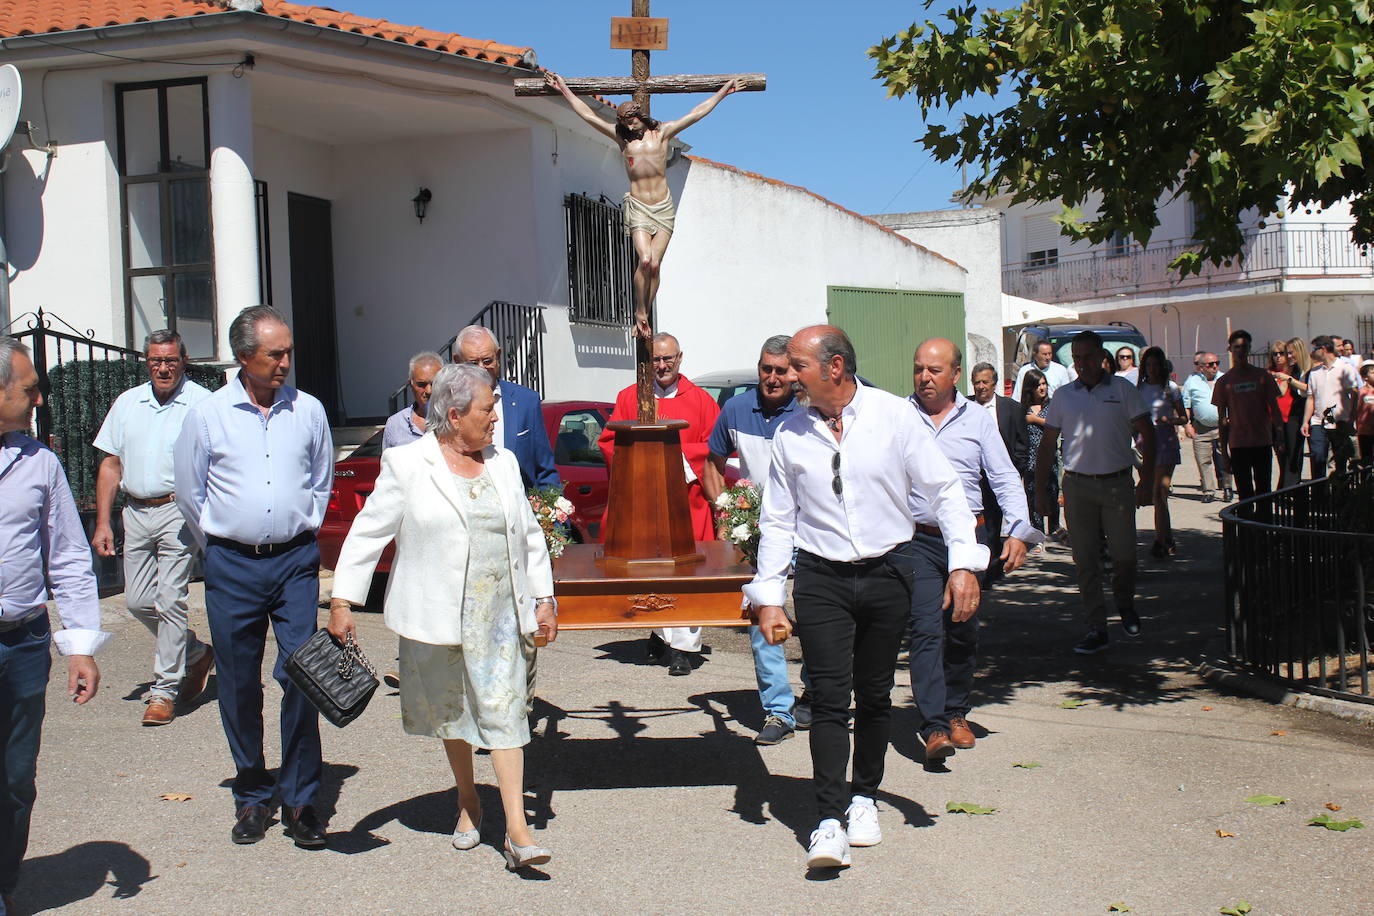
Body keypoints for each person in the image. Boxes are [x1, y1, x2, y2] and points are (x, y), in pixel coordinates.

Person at [746, 326, 985, 869]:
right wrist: (769, 596)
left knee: (875, 695)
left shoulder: (892, 417)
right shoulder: (791, 434)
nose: (786, 377)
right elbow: (778, 520)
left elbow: (945, 491)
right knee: (829, 697)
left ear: (834, 367)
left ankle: (863, 798)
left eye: (797, 366)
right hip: (821, 579)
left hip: (887, 574)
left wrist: (963, 564)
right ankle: (828, 818)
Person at [329, 363, 558, 871]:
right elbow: (368, 533)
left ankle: (516, 829)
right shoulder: (408, 464)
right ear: (454, 416)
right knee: (453, 712)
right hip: (438, 615)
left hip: (500, 616)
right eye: (486, 409)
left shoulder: (502, 463)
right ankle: (468, 799)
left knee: (505, 712)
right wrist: (343, 601)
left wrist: (544, 598)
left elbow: (529, 536)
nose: (496, 417)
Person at [173, 306, 334, 850]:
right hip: (232, 564)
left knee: (302, 674)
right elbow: (191, 494)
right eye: (275, 354)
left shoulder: (307, 410)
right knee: (239, 682)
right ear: (245, 357)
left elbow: (321, 479)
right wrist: (223, 543)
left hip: (293, 562)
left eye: (288, 351)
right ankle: (251, 791)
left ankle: (301, 797)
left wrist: (301, 528)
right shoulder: (208, 415)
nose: (286, 362)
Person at [0, 337, 109, 912]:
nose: (40, 397)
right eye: (29, 389)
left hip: (22, 644)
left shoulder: (40, 463)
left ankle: (3, 880)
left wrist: (80, 646)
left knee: (15, 779)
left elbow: (67, 556)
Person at [907, 340, 1039, 760]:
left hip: (969, 538)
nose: (924, 377)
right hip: (917, 540)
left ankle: (955, 711)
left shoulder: (978, 420)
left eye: (934, 370)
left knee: (961, 627)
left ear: (955, 374)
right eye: (918, 369)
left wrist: (1018, 530)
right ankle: (933, 727)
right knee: (926, 627)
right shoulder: (899, 415)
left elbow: (1003, 476)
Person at [544, 72, 739, 339]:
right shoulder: (622, 139)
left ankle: (646, 309)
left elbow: (695, 114)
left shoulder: (662, 134)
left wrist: (722, 93)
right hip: (637, 206)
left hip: (663, 206)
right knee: (644, 259)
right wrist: (564, 90)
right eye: (624, 122)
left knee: (655, 265)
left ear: (640, 116)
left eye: (632, 120)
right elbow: (588, 115)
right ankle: (640, 312)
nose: (629, 126)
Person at [90, 329, 213, 726]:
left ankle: (164, 691)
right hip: (135, 511)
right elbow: (111, 464)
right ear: (146, 362)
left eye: (171, 360)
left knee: (170, 599)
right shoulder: (128, 403)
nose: (163, 367)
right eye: (156, 360)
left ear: (184, 360)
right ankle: (195, 653)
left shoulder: (202, 403)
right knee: (137, 601)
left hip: (178, 511)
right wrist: (104, 521)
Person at [702, 335, 809, 745]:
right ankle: (778, 711)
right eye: (766, 369)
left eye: (781, 370)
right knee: (762, 619)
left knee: (817, 621)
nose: (772, 377)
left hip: (810, 533)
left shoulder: (808, 411)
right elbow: (713, 463)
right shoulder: (734, 408)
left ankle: (815, 694)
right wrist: (727, 511)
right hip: (761, 536)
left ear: (795, 374)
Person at [599, 331, 720, 675]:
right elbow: (609, 442)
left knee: (685, 573)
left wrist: (673, 457)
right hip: (642, 505)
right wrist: (641, 466)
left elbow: (714, 448)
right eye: (655, 359)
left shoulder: (701, 401)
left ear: (680, 358)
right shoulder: (628, 398)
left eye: (669, 358)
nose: (663, 365)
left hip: (686, 503)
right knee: (651, 572)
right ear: (646, 363)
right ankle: (660, 632)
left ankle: (682, 647)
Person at [1035, 331, 1156, 655]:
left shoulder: (1122, 390)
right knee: (1085, 561)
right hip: (1077, 486)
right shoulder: (1063, 396)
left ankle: (1125, 603)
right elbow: (1048, 444)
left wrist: (1147, 480)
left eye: (1087, 356)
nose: (1082, 363)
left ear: (1102, 357)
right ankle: (1096, 627)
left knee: (1125, 556)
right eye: (1076, 358)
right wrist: (1040, 489)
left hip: (1117, 484)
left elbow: (1147, 433)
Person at [454, 327, 559, 489]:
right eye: (473, 363)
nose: (481, 368)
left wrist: (550, 510)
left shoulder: (526, 401)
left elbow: (545, 469)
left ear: (498, 356)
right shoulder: (449, 405)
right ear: (457, 362)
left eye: (487, 361)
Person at [968, 361, 1029, 584]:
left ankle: (994, 567)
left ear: (994, 383)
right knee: (980, 526)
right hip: (975, 481)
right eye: (976, 383)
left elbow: (1023, 445)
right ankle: (981, 568)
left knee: (996, 524)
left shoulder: (1012, 409)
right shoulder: (964, 407)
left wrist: (1014, 472)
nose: (981, 387)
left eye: (985, 382)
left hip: (1001, 478)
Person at [1212, 330, 1284, 501]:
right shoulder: (1224, 382)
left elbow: (1275, 410)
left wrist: (1279, 437)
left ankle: (1264, 526)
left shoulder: (1263, 376)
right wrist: (1224, 453)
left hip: (1262, 442)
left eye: (1244, 347)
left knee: (1264, 491)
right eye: (1236, 347)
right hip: (1238, 444)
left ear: (1250, 348)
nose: (1240, 350)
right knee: (1245, 494)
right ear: (1230, 349)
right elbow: (1222, 420)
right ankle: (1247, 527)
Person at [1135, 347, 1188, 556]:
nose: (1152, 369)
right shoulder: (1139, 389)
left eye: (1156, 364)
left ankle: (1161, 540)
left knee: (1160, 492)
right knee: (1151, 494)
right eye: (1148, 365)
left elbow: (1184, 417)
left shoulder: (1170, 388)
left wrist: (1170, 420)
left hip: (1165, 442)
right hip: (1144, 444)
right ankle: (1166, 538)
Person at [1304, 335, 1361, 478]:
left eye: (1314, 349)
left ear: (1323, 349)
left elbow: (1354, 393)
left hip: (1339, 422)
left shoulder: (1345, 368)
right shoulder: (1314, 372)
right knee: (1318, 458)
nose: (1312, 353)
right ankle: (1319, 495)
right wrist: (1305, 421)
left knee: (1340, 460)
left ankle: (1340, 495)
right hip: (1318, 422)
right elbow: (1311, 398)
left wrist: (1352, 416)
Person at [1181, 351, 1232, 502]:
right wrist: (1187, 425)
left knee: (1226, 458)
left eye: (1217, 363)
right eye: (1210, 364)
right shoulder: (1192, 382)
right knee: (1203, 460)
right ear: (1201, 367)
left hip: (1223, 426)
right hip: (1201, 428)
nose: (1214, 366)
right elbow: (1186, 406)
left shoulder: (1224, 378)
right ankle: (1208, 491)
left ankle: (1228, 488)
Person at [1020, 368, 1059, 535]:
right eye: (1038, 385)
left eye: (1044, 384)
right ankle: (1038, 532)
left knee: (1052, 492)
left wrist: (1035, 419)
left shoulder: (1052, 405)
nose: (1042, 388)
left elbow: (1056, 424)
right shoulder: (1022, 408)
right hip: (1030, 459)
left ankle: (1054, 528)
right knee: (1033, 495)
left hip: (1049, 456)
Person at [1268, 339, 1310, 488]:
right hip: (1274, 420)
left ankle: (1287, 488)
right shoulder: (1269, 373)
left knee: (1292, 455)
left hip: (1292, 418)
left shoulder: (1295, 371)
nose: (1278, 356)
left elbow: (1302, 389)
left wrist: (1286, 378)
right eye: (1275, 354)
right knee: (1281, 455)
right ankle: (1284, 487)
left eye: (1282, 353)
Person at [382, 351, 442, 449]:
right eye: (421, 385)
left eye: (435, 383)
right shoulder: (396, 424)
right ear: (411, 384)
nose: (429, 391)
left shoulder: (455, 420)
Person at [1357, 362, 1374, 466]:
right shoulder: (1361, 392)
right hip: (1365, 430)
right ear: (1365, 377)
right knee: (1366, 458)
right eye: (1372, 372)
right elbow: (1357, 409)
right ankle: (1366, 480)